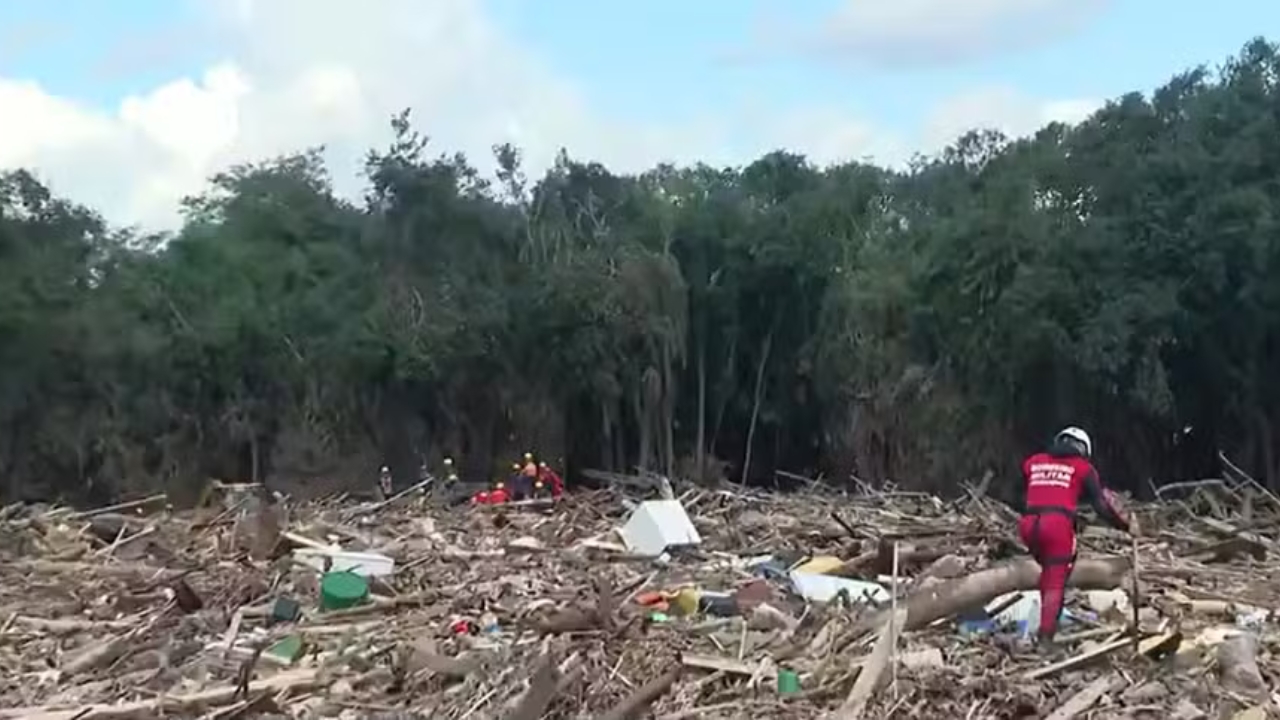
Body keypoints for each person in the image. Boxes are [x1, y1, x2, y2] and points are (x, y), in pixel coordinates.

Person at [1019, 426, 1139, 648]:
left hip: (1028, 525)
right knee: (1056, 581)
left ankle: (1042, 612)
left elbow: (1033, 491)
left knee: (1047, 570)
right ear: (1084, 449)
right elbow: (1102, 506)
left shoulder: (1033, 461)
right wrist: (1125, 525)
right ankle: (1045, 640)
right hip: (1056, 527)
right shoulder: (1084, 468)